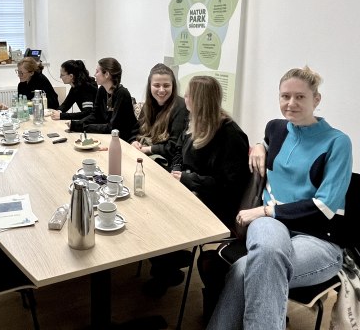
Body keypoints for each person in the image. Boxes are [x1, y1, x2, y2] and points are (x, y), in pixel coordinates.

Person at [207, 66, 352, 330]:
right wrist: (259, 146)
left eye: (300, 97)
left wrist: (265, 211)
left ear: (316, 99)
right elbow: (266, 141)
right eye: (285, 96)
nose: (291, 103)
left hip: (318, 240)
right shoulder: (276, 128)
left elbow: (326, 206)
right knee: (266, 257)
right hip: (272, 227)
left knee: (244, 270)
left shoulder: (337, 142)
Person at [143, 75, 250, 298]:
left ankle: (167, 266)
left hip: (216, 205)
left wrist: (187, 180)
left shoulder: (230, 134)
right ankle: (168, 262)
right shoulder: (193, 122)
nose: (184, 98)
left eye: (188, 95)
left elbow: (231, 186)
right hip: (190, 192)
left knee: (159, 216)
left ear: (199, 100)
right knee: (147, 205)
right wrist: (176, 173)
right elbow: (178, 153)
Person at [128, 63, 188, 169]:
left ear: (173, 86)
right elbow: (135, 131)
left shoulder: (181, 106)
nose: (161, 90)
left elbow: (173, 147)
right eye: (156, 85)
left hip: (164, 163)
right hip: (141, 156)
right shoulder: (148, 104)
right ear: (150, 86)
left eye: (166, 85)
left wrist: (147, 149)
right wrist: (134, 142)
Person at [68, 57, 137, 138]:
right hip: (110, 136)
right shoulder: (102, 90)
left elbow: (112, 128)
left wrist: (80, 127)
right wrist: (76, 124)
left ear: (107, 74)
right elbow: (95, 115)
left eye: (97, 71)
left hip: (126, 139)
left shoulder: (122, 93)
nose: (94, 75)